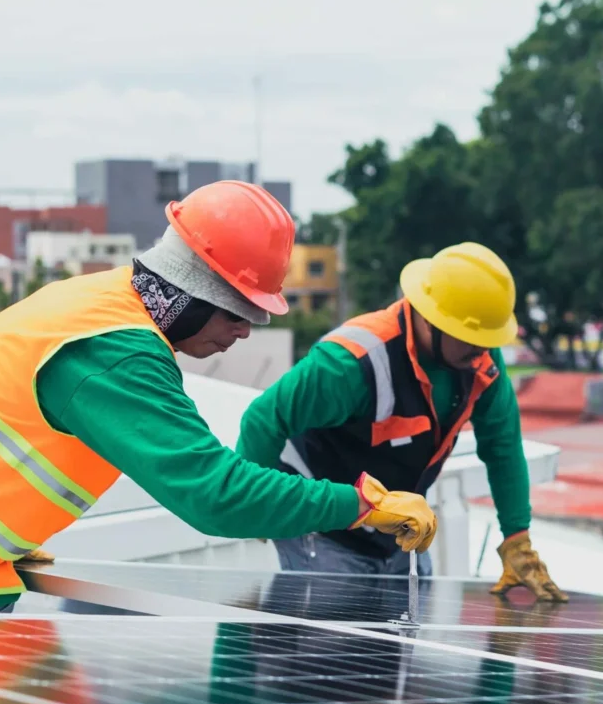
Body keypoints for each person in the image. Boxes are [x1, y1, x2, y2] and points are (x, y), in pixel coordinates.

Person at [0, 181, 437, 613]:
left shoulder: (101, 298)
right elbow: (213, 495)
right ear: (197, 291)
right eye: (241, 310)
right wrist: (360, 504)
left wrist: (7, 534)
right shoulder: (118, 355)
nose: (245, 331)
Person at [236, 241, 566, 601]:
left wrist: (517, 539)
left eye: (487, 340)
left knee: (399, 646)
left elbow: (502, 447)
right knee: (334, 644)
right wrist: (256, 507)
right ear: (430, 319)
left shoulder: (480, 364)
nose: (482, 351)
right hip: (324, 529)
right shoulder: (351, 362)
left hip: (400, 531)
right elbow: (264, 419)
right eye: (472, 338)